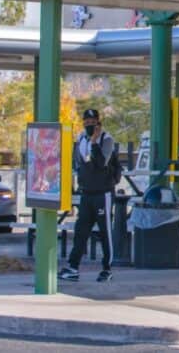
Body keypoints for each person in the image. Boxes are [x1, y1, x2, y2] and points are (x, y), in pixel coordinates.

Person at [59, 108, 117, 283]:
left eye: (93, 122)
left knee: (105, 231)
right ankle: (73, 266)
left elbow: (101, 163)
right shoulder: (80, 139)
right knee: (81, 231)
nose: (89, 125)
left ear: (98, 122)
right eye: (87, 122)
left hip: (102, 193)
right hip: (86, 192)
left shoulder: (106, 139)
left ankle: (107, 268)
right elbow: (79, 162)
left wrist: (94, 142)